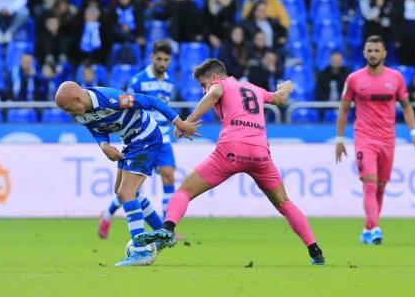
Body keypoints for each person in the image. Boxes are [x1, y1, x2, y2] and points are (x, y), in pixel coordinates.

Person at [133, 59, 326, 266]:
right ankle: (315, 251)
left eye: (203, 85)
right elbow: (279, 99)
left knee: (184, 191)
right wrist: (286, 88)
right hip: (260, 153)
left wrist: (187, 122)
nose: (203, 90)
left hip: (231, 150)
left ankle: (168, 229)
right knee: (284, 202)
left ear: (214, 77)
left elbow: (214, 93)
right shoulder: (253, 88)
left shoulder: (221, 85)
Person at [54, 81, 199, 266]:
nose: (69, 113)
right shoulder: (80, 112)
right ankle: (161, 232)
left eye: (68, 108)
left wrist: (179, 123)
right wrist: (104, 145)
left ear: (77, 98)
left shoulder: (111, 99)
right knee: (121, 192)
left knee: (126, 193)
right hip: (130, 141)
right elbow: (95, 129)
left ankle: (140, 252)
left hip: (146, 137)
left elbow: (151, 101)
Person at [335, 35, 415, 245]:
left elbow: (406, 106)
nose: (373, 54)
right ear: (364, 53)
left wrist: (414, 134)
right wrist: (340, 139)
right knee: (369, 183)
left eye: (377, 51)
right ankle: (375, 227)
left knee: (381, 186)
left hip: (387, 139)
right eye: (370, 51)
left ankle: (368, 229)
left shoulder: (396, 78)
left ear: (384, 53)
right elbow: (344, 109)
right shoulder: (354, 79)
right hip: (364, 139)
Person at [98, 41, 178, 239]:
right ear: (151, 58)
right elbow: (130, 108)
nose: (162, 63)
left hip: (164, 136)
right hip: (141, 137)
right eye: (159, 58)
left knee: (168, 175)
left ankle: (167, 229)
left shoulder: (170, 81)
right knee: (129, 189)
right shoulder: (138, 80)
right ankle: (107, 215)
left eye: (166, 59)